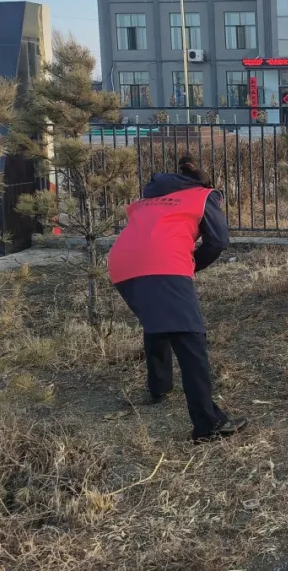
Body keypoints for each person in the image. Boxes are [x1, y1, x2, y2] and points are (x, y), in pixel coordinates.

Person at [108, 155, 247, 444]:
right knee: (190, 338)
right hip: (163, 264)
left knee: (157, 320)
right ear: (204, 182)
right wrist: (192, 263)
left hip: (121, 264)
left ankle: (159, 386)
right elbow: (218, 241)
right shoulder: (203, 196)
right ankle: (209, 424)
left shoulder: (151, 199)